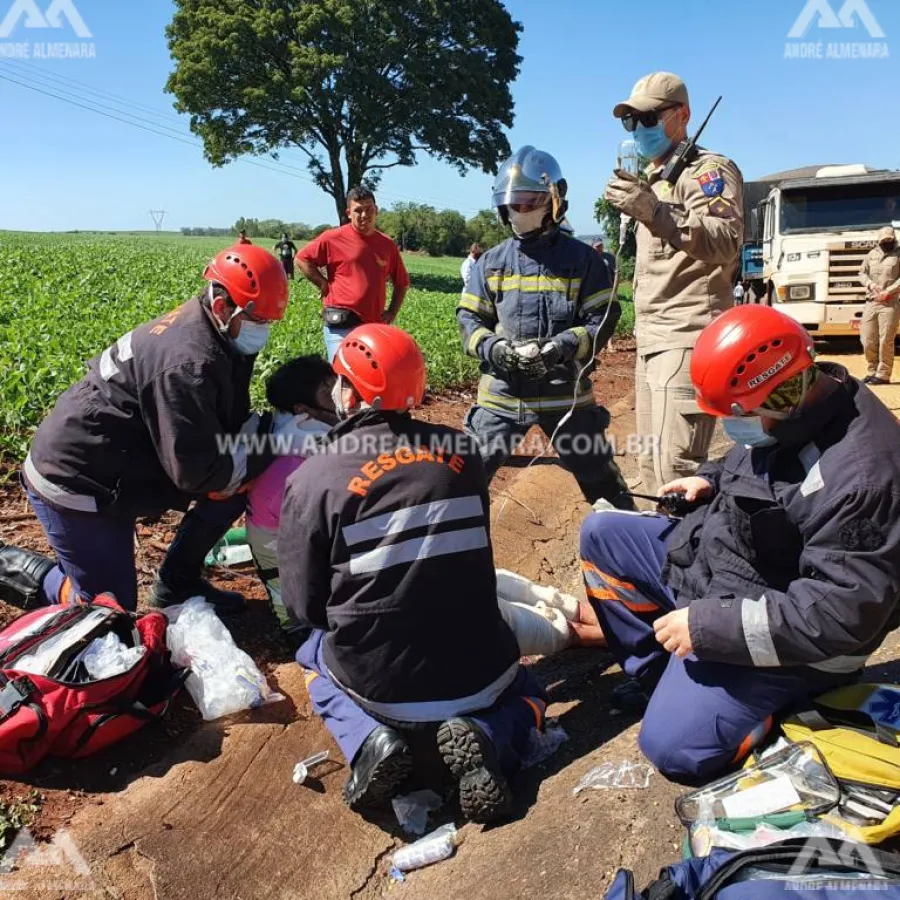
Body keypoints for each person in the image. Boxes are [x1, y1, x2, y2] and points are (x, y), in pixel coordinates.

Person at [579, 305, 900, 785]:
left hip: (802, 640)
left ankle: (775, 713)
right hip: (738, 559)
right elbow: (755, 456)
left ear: (785, 393)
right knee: (602, 533)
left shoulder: (862, 478)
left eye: (742, 417)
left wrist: (709, 626)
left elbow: (839, 615)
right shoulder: (795, 402)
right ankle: (656, 674)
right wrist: (708, 481)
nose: (736, 428)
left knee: (673, 749)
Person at [279, 324, 550, 823]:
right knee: (530, 690)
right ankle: (493, 730)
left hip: (387, 688)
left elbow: (303, 607)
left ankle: (368, 742)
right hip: (481, 669)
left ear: (351, 391)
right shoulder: (465, 453)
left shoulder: (313, 479)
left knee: (310, 653)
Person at [0, 245, 290, 615]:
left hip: (126, 460)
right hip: (78, 478)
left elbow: (226, 424)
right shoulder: (188, 362)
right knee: (106, 612)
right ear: (222, 306)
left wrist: (261, 442)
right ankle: (14, 567)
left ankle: (177, 582)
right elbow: (196, 471)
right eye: (259, 321)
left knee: (236, 482)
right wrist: (271, 443)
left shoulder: (221, 334)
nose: (262, 331)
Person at [247, 354, 606, 652]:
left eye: (338, 386)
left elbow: (310, 600)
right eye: (329, 389)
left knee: (320, 659)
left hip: (385, 619)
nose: (337, 395)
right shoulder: (453, 446)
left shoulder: (317, 473)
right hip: (435, 591)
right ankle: (611, 625)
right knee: (485, 591)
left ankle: (593, 627)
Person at [456, 145, 634, 510]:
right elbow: (469, 320)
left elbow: (602, 319)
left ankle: (631, 550)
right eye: (512, 204)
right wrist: (496, 349)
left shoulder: (585, 261)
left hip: (565, 396)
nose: (519, 212)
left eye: (528, 202)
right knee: (464, 483)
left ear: (554, 200)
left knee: (602, 481)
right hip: (502, 397)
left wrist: (563, 346)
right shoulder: (490, 262)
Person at [606, 72, 744, 497]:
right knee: (649, 464)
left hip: (687, 335)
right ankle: (657, 556)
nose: (639, 130)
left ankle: (684, 559)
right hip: (653, 339)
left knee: (674, 469)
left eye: (649, 118)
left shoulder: (708, 171)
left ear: (682, 116)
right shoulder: (657, 178)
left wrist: (656, 212)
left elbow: (726, 240)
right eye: (631, 122)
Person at [296, 187, 410, 361]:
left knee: (369, 377)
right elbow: (302, 259)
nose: (364, 215)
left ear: (376, 210)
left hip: (372, 324)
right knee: (343, 373)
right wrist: (322, 283)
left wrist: (392, 312)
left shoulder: (387, 245)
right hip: (340, 322)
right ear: (349, 213)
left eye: (369, 209)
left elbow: (402, 283)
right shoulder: (333, 238)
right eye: (358, 210)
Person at [858, 226, 900, 385]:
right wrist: (869, 284)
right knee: (867, 339)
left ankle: (883, 374)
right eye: (884, 240)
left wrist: (889, 291)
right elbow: (862, 273)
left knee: (885, 340)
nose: (887, 242)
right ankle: (872, 370)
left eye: (890, 239)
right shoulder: (872, 254)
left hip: (889, 304)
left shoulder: (898, 254)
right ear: (879, 240)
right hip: (871, 302)